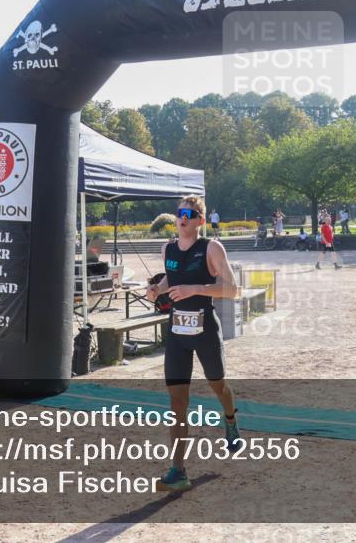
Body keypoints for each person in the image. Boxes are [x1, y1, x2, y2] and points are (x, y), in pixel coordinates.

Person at [145, 195, 242, 491]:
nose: (182, 217)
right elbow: (169, 281)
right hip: (176, 334)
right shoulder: (168, 248)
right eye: (179, 213)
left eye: (189, 213)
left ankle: (230, 418)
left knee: (218, 386)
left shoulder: (211, 248)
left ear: (200, 220)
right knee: (177, 402)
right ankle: (179, 470)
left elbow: (233, 290)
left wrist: (196, 289)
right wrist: (156, 290)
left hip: (204, 332)